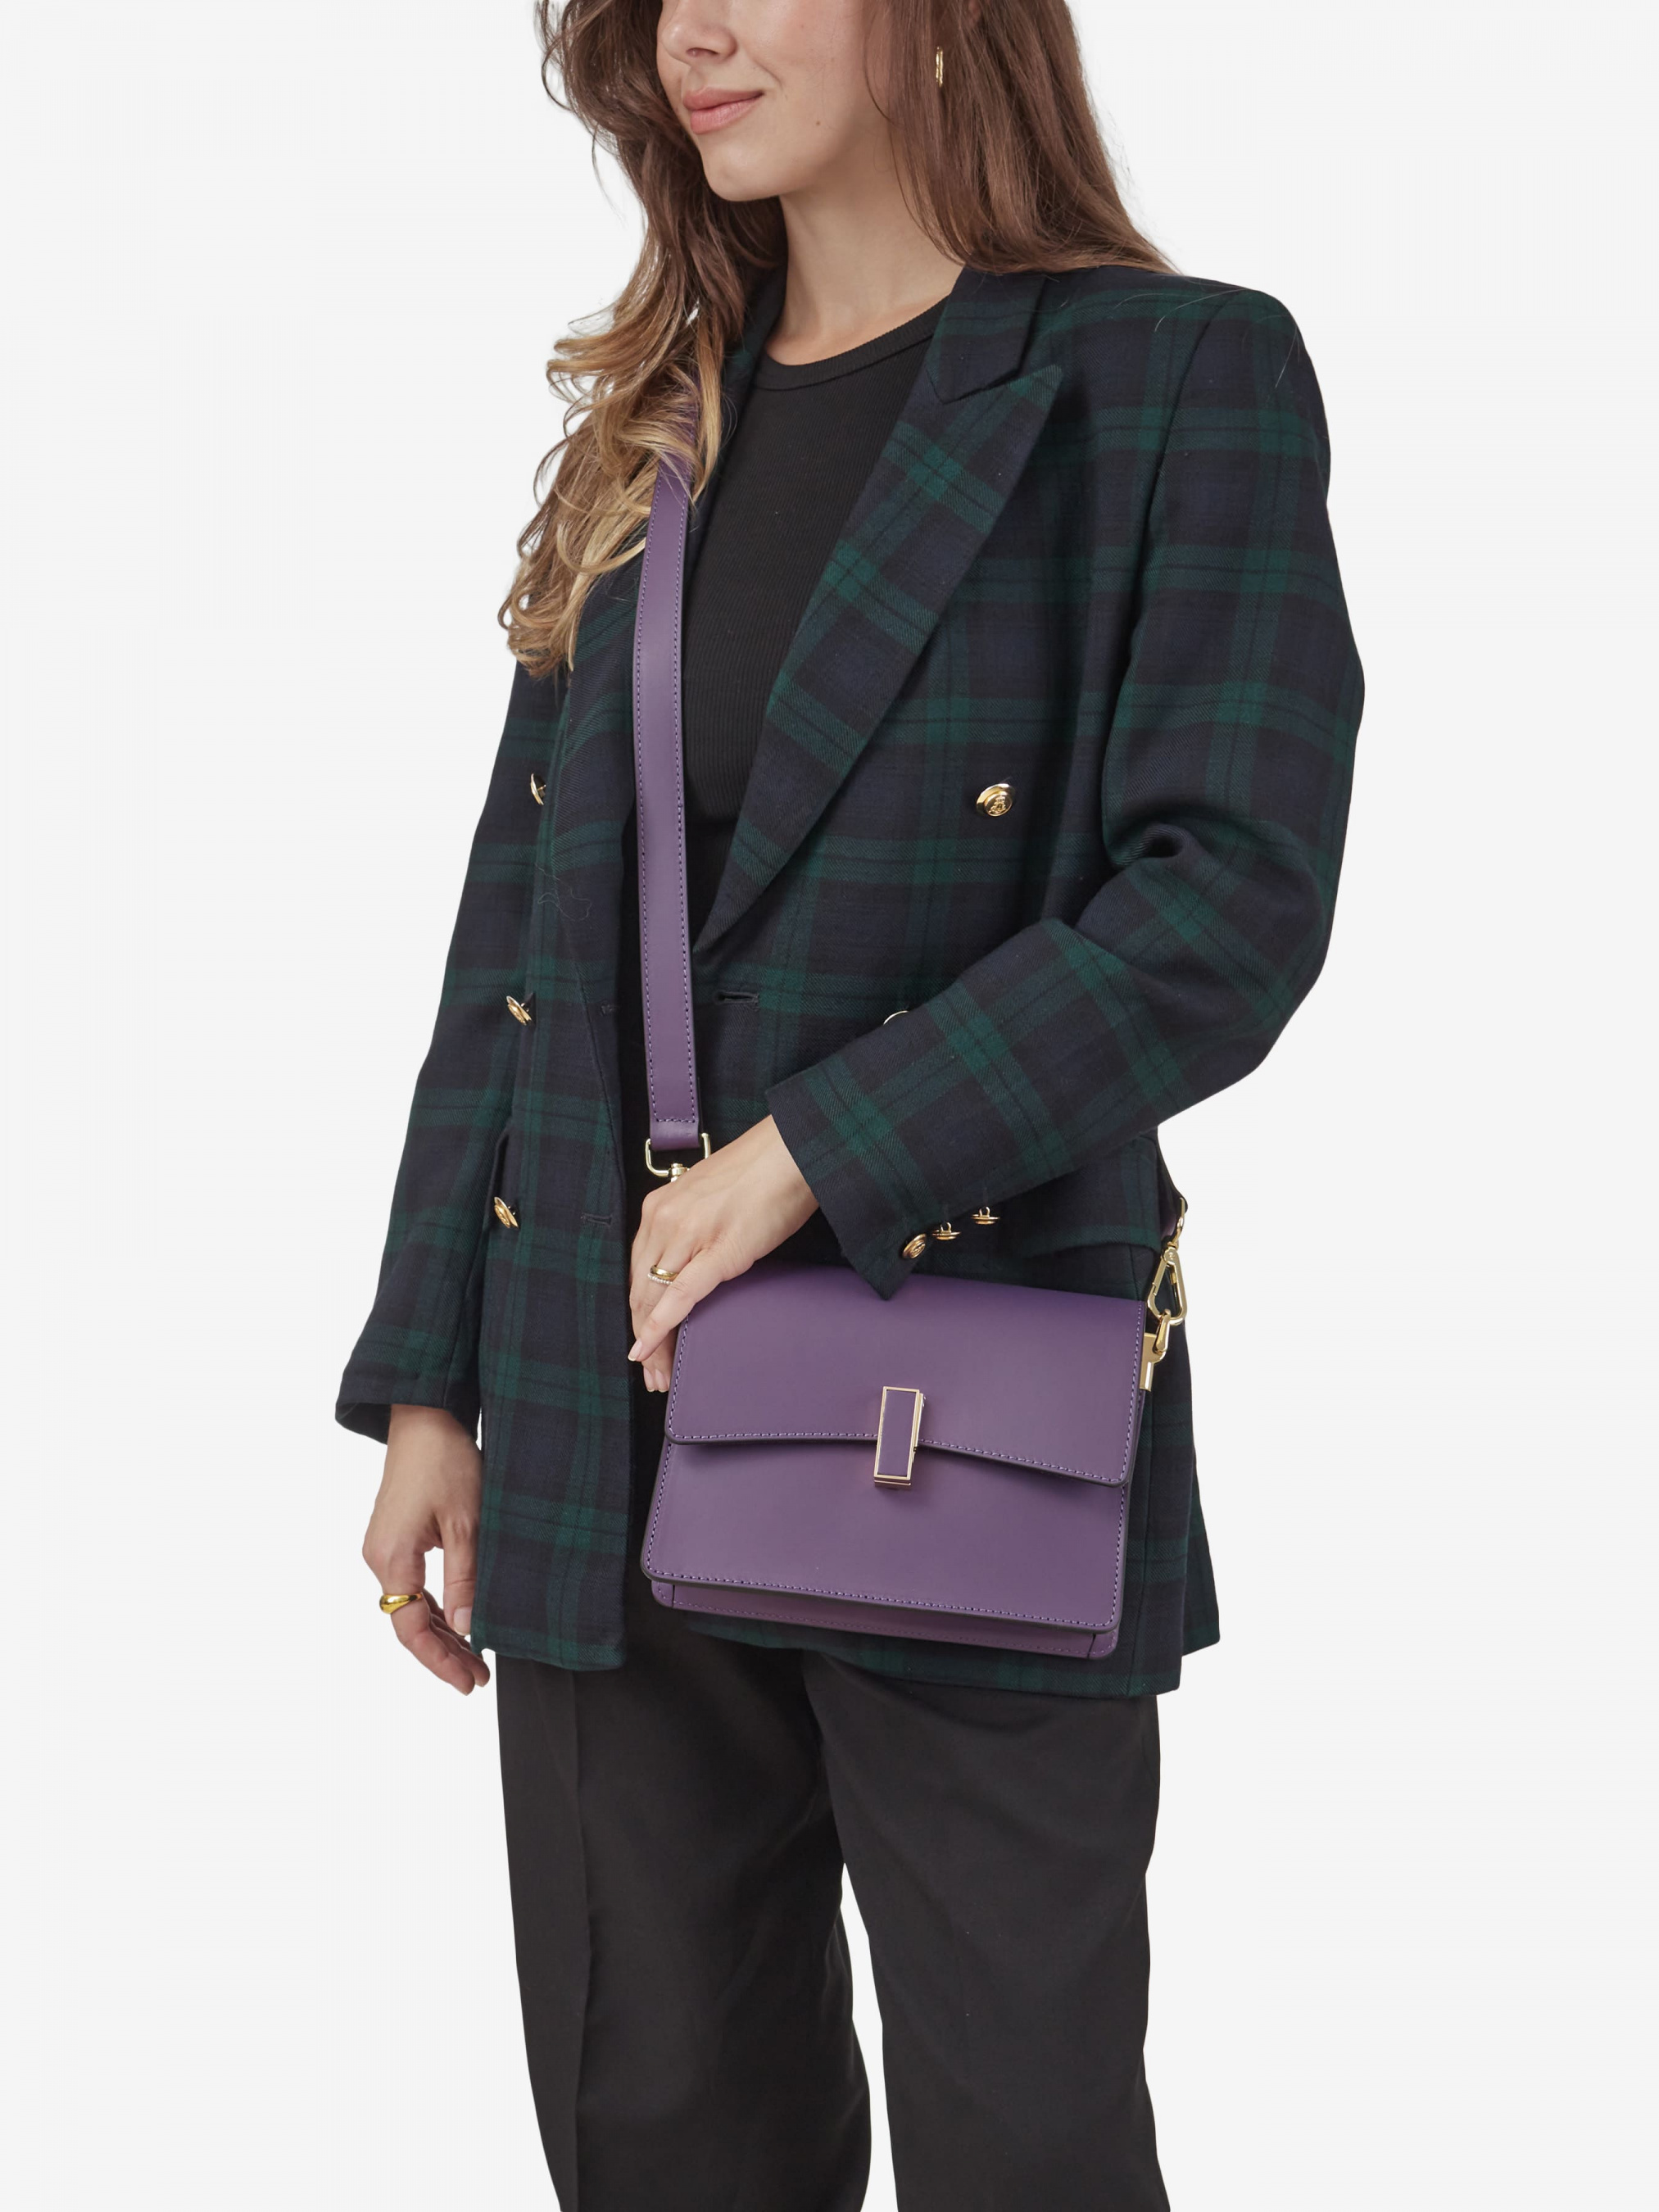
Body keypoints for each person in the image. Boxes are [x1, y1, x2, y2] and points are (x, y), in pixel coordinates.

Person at [340, 2, 1362, 2204]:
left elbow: (1226, 898)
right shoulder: (656, 422)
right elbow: (518, 947)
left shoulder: (1170, 379)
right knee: (660, 2133)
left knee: (1023, 2145)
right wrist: (434, 1379)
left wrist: (818, 1154)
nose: (690, 33)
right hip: (592, 1402)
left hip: (961, 1392)